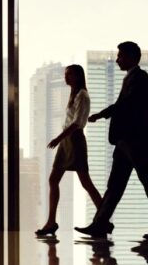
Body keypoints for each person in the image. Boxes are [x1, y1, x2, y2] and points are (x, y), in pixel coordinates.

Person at [75, 42, 148, 243]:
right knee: (115, 186)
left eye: (120, 56)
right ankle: (100, 224)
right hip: (125, 141)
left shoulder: (140, 77)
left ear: (131, 57)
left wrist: (102, 114)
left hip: (135, 140)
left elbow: (125, 105)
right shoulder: (132, 77)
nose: (118, 59)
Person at [37, 64, 103, 237]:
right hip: (67, 141)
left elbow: (77, 123)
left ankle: (104, 218)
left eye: (70, 74)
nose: (66, 78)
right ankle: (51, 221)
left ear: (78, 76)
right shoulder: (73, 94)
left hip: (74, 140)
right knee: (54, 179)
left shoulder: (83, 95)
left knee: (85, 182)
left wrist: (58, 138)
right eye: (65, 74)